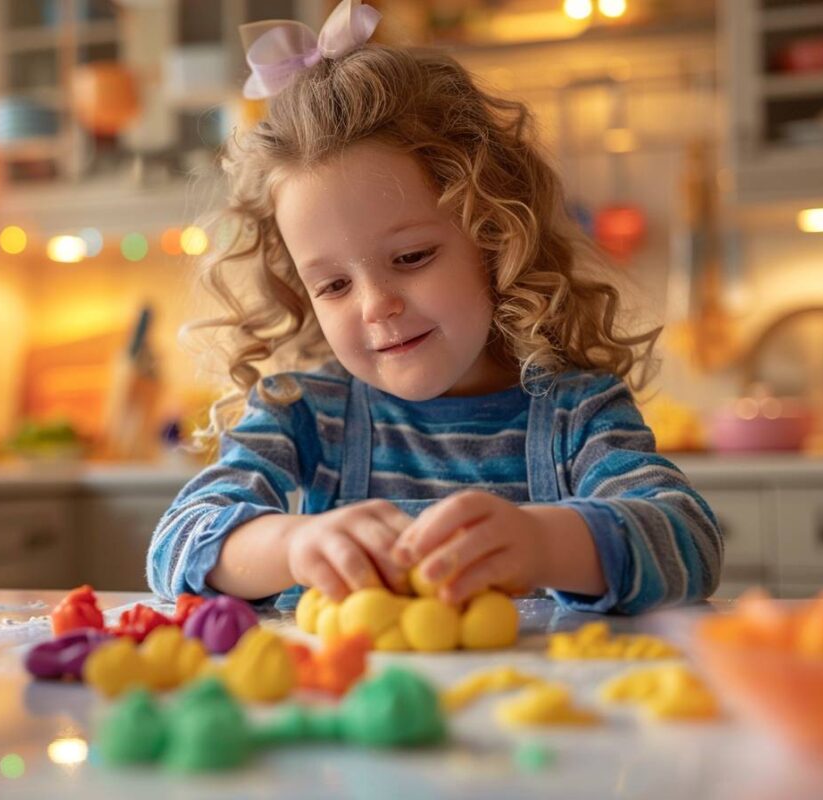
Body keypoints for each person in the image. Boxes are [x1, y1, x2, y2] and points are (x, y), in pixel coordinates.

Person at [148, 0, 721, 615]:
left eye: (413, 256)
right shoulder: (305, 414)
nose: (377, 306)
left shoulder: (577, 414)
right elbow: (175, 545)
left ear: (495, 236)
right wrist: (294, 543)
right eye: (334, 286)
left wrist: (541, 543)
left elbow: (688, 541)